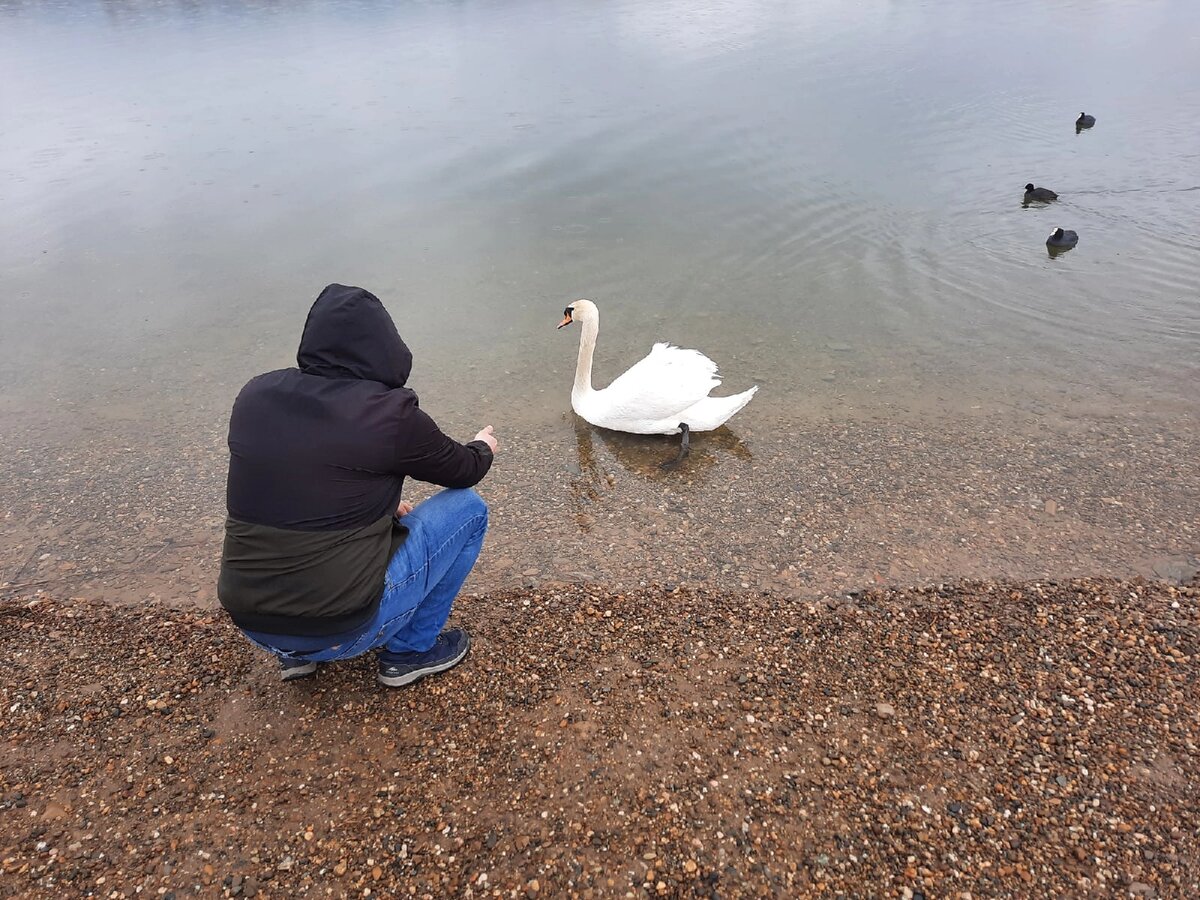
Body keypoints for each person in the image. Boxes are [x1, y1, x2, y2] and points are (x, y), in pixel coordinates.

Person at [217, 284, 498, 686]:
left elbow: (310, 481)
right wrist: (482, 446)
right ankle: (411, 652)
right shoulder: (389, 415)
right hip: (344, 629)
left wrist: (381, 509)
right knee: (468, 510)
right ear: (385, 344)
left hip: (253, 624)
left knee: (282, 525)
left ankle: (293, 657)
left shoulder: (254, 397)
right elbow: (464, 470)